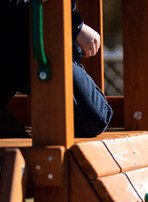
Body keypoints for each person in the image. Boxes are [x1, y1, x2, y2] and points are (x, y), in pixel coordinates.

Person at [0, 0, 112, 138]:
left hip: (36, 45)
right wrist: (74, 26)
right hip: (19, 42)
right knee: (94, 119)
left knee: (93, 120)